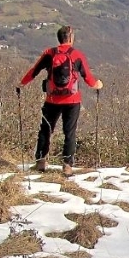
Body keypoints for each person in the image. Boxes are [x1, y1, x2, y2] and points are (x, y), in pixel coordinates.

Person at [18, 25, 102, 176]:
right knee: (69, 132)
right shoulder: (77, 55)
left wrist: (21, 83)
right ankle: (67, 165)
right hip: (72, 100)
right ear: (70, 38)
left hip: (52, 100)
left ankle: (41, 161)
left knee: (46, 129)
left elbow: (34, 71)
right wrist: (98, 85)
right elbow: (88, 78)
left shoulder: (50, 54)